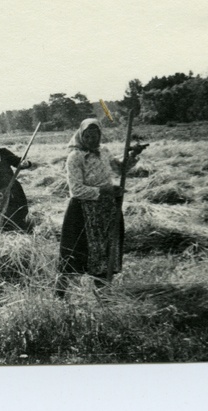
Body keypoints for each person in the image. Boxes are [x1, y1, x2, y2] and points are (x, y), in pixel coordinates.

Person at [55, 118, 139, 298]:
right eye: (87, 135)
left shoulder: (104, 152)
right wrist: (104, 190)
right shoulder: (75, 157)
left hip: (106, 210)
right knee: (74, 255)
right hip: (82, 212)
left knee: (105, 253)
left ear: (100, 135)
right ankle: (60, 297)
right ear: (81, 135)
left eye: (95, 135)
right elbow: (76, 189)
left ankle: (103, 296)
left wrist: (132, 156)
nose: (92, 139)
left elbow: (120, 169)